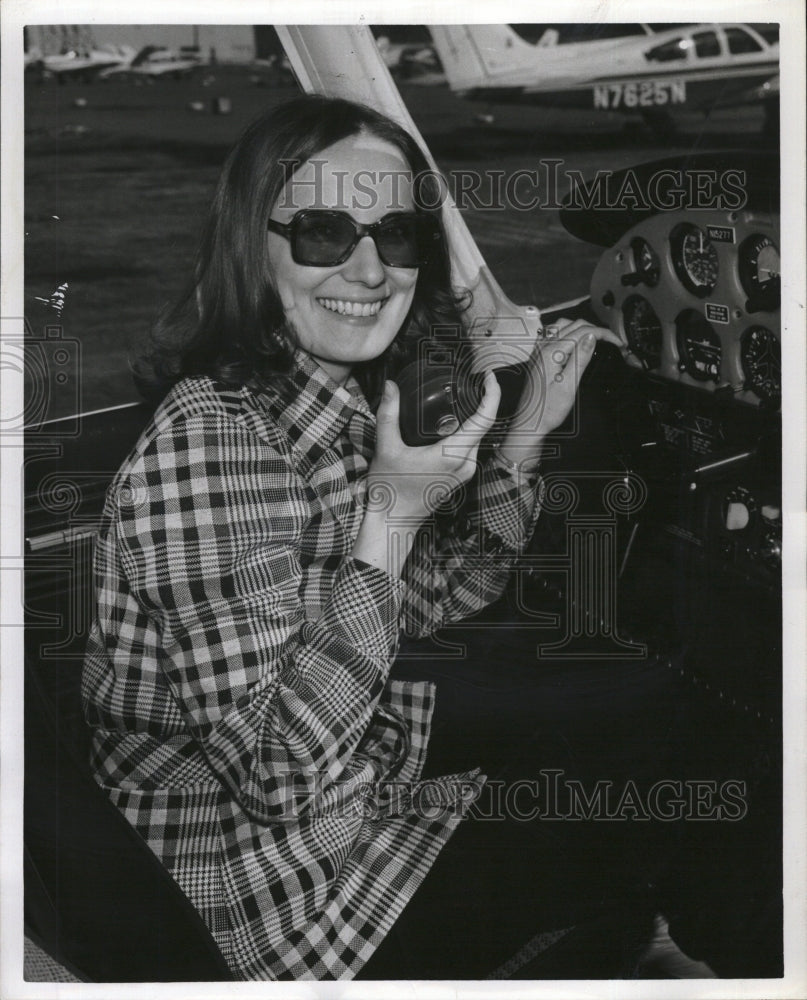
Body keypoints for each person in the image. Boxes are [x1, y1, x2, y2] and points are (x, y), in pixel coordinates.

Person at [81, 94, 627, 981]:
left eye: (397, 235)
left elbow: (436, 597)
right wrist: (394, 512)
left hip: (348, 788)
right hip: (266, 904)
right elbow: (276, 780)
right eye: (325, 234)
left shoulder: (321, 397)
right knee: (648, 788)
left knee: (616, 723)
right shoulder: (215, 449)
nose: (371, 271)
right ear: (252, 247)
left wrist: (524, 436)